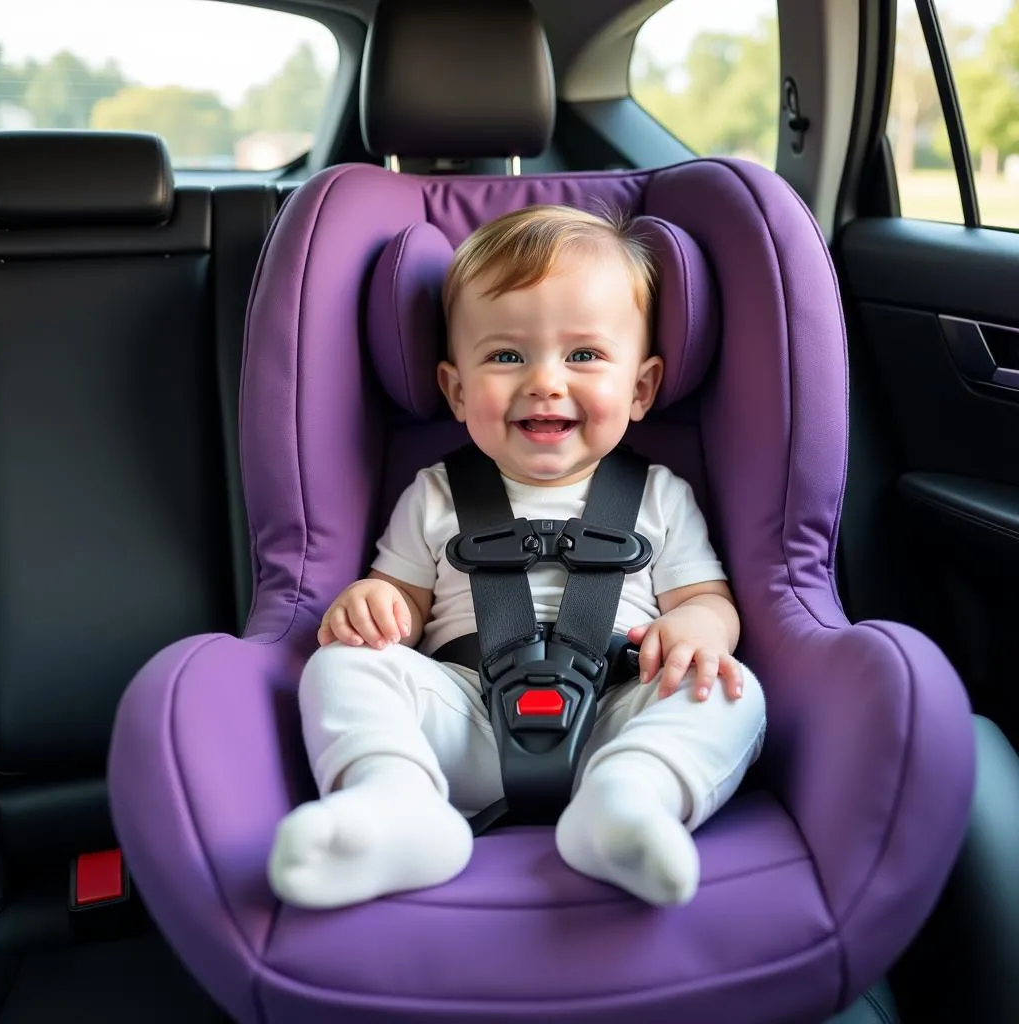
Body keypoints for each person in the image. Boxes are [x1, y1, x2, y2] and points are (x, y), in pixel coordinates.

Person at [267, 204, 766, 910]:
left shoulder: (659, 495)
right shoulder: (435, 494)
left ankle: (631, 805)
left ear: (642, 387)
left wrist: (698, 633)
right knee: (342, 667)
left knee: (728, 690)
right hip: (466, 719)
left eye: (584, 355)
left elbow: (704, 600)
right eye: (507, 355)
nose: (545, 381)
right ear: (457, 389)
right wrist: (374, 607)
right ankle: (398, 806)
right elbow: (401, 600)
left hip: (617, 713)